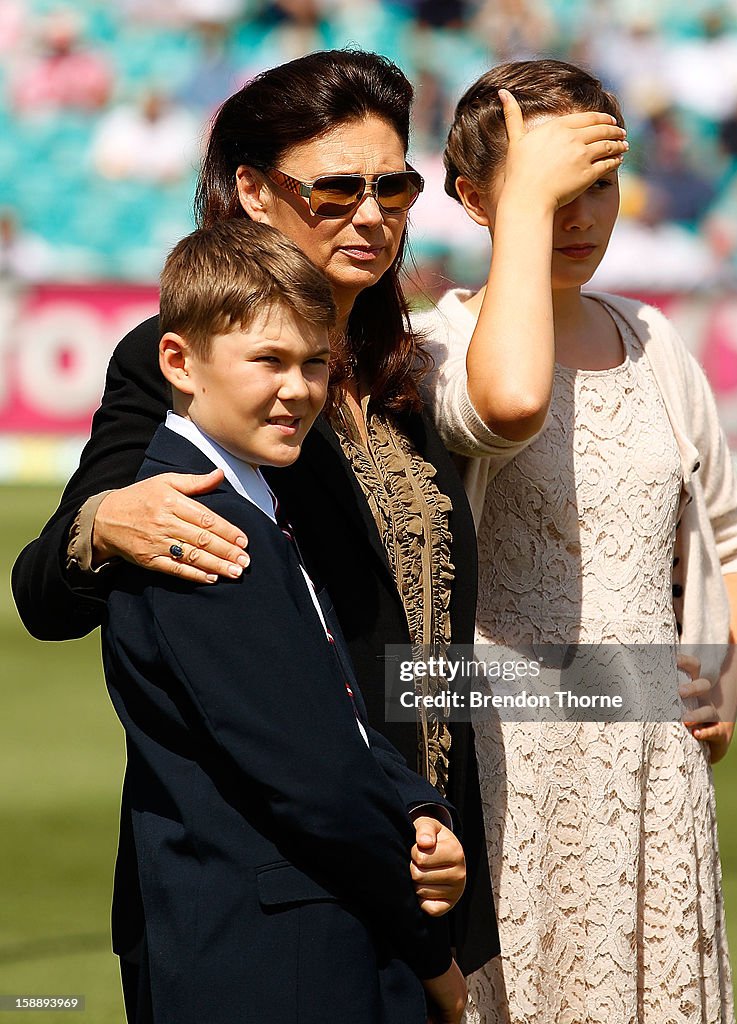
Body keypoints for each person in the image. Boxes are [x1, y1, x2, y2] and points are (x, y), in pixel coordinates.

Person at [11, 49, 626, 976]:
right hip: (281, 882)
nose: (372, 215)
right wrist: (101, 525)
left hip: (425, 857)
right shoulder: (183, 358)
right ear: (254, 193)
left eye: (394, 185)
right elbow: (44, 589)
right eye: (336, 189)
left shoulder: (404, 372)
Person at [415, 59, 737, 1024]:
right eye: (553, 191)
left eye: (599, 186)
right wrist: (521, 217)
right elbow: (503, 406)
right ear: (473, 199)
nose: (580, 216)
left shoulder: (655, 342)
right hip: (499, 755)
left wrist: (722, 682)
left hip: (651, 763)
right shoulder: (431, 344)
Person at [103, 217, 466, 1023]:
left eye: (313, 364)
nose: (296, 388)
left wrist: (414, 805)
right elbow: (316, 783)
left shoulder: (254, 498)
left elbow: (336, 714)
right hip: (275, 960)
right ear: (178, 361)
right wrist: (430, 953)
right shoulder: (197, 528)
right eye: (267, 360)